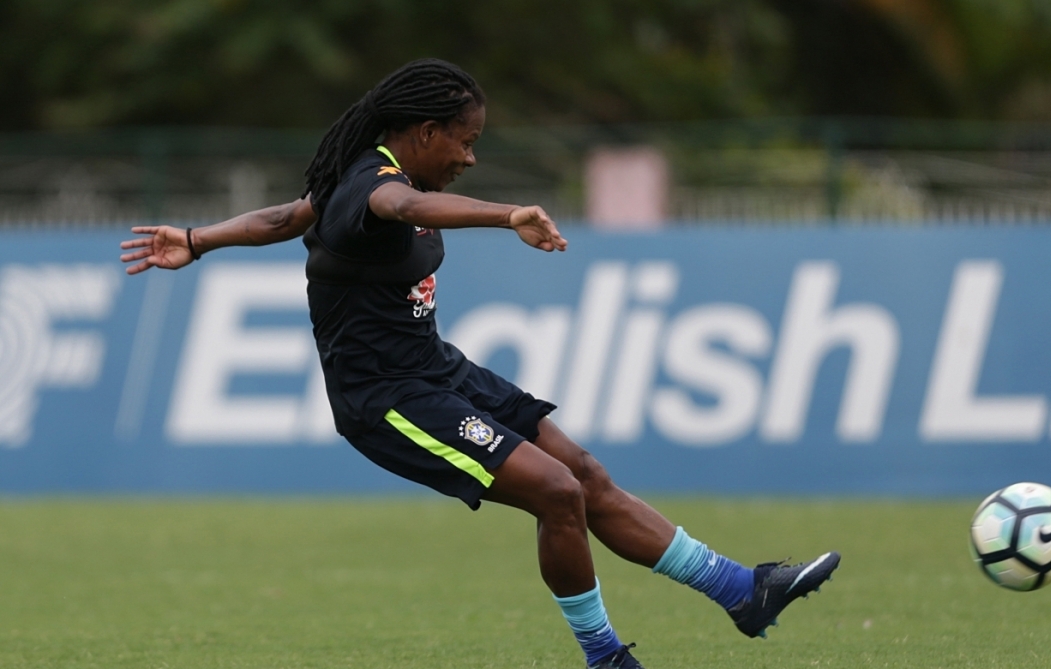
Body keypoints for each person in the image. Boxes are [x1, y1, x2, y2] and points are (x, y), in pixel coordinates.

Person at [119, 58, 839, 669]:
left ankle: (744, 591)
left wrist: (196, 236)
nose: (470, 157)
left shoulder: (356, 175)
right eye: (465, 142)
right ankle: (606, 657)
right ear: (426, 133)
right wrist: (506, 214)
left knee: (584, 472)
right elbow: (394, 204)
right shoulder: (378, 185)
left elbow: (286, 218)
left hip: (438, 369)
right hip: (387, 400)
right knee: (557, 492)